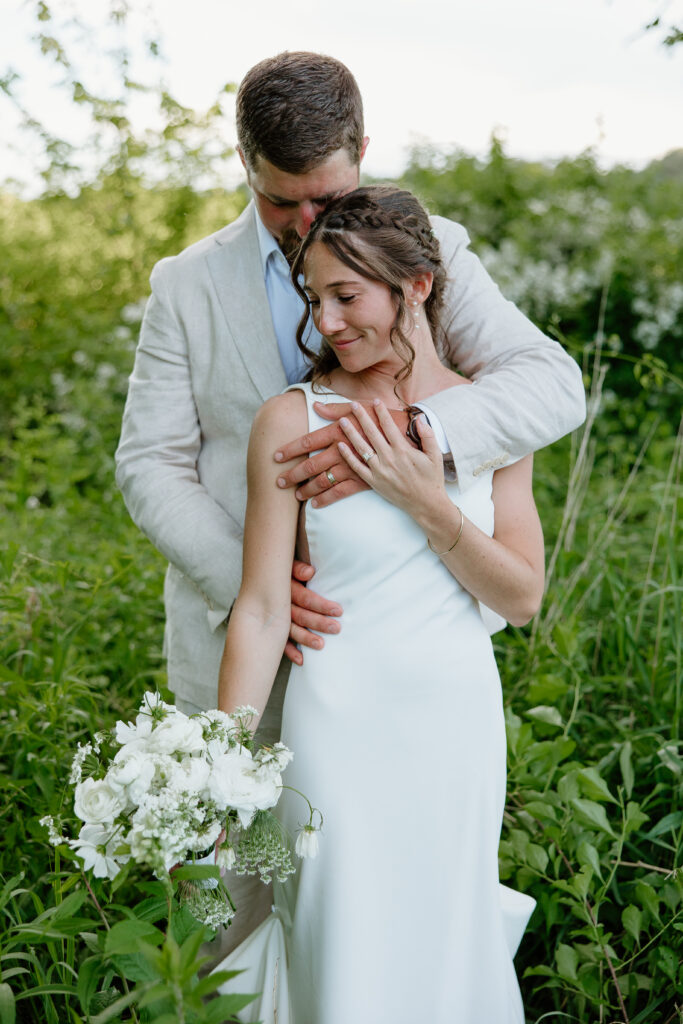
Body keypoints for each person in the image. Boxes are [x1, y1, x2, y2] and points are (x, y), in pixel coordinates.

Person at [115, 51, 584, 950]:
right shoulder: (185, 284)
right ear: (245, 164)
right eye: (280, 200)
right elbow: (148, 463)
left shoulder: (424, 251)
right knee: (227, 926)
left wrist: (410, 442)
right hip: (243, 648)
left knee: (388, 929)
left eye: (324, 200)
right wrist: (262, 585)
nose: (302, 225)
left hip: (407, 671)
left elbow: (549, 384)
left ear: (363, 149)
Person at [215, 184, 545, 1023]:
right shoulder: (290, 420)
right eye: (312, 298)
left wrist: (424, 499)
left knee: (440, 946)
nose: (325, 323)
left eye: (346, 295)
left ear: (419, 287)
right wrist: (218, 763)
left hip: (453, 731)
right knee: (343, 946)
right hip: (336, 731)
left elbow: (522, 596)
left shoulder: (490, 417)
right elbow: (259, 608)